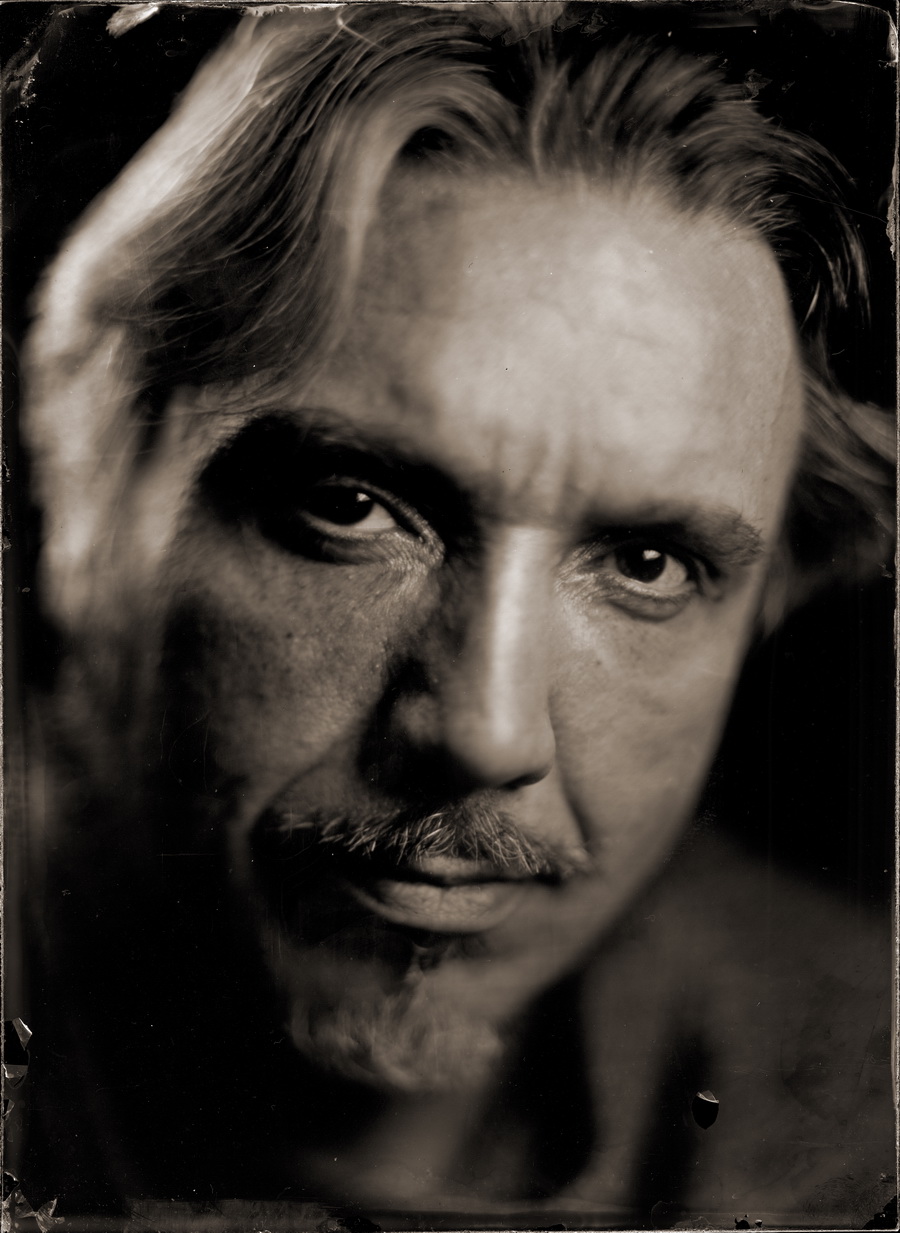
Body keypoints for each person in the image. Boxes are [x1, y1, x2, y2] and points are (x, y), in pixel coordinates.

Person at [9, 3, 894, 1228]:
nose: (486, 734)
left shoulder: (862, 1115)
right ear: (80, 488)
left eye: (647, 563)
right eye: (349, 507)